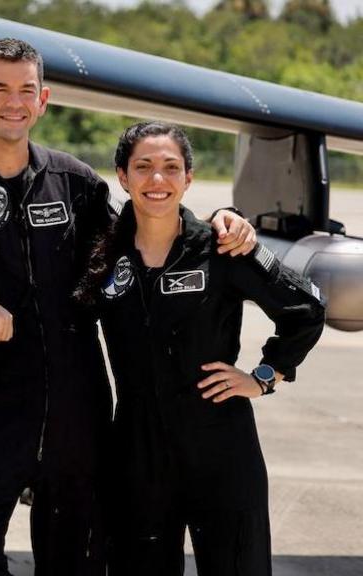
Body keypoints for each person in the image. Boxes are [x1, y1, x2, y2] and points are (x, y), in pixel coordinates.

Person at [0, 39, 257, 576]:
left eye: (26, 90)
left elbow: (144, 233)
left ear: (43, 101)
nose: (13, 102)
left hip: (79, 412)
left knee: (79, 561)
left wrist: (223, 217)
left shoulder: (73, 182)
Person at [87, 122, 325, 576]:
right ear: (123, 176)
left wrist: (264, 377)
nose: (158, 180)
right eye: (144, 167)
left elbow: (306, 308)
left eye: (170, 167)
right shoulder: (104, 254)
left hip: (220, 447)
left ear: (188, 178)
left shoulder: (223, 246)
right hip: (138, 453)